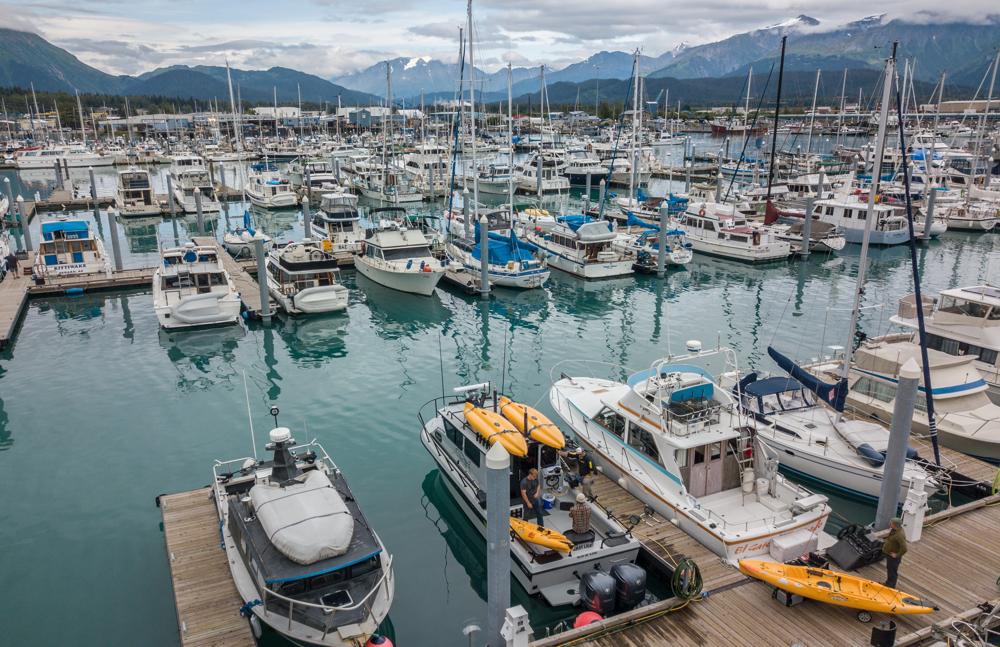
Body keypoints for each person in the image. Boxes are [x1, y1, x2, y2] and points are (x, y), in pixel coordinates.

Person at [882, 517, 908, 589]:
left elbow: (904, 548)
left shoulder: (899, 535)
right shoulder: (894, 530)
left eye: (891, 523)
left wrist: (897, 555)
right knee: (889, 568)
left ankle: (891, 586)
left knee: (892, 571)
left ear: (895, 525)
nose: (889, 524)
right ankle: (888, 583)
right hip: (889, 554)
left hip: (893, 557)